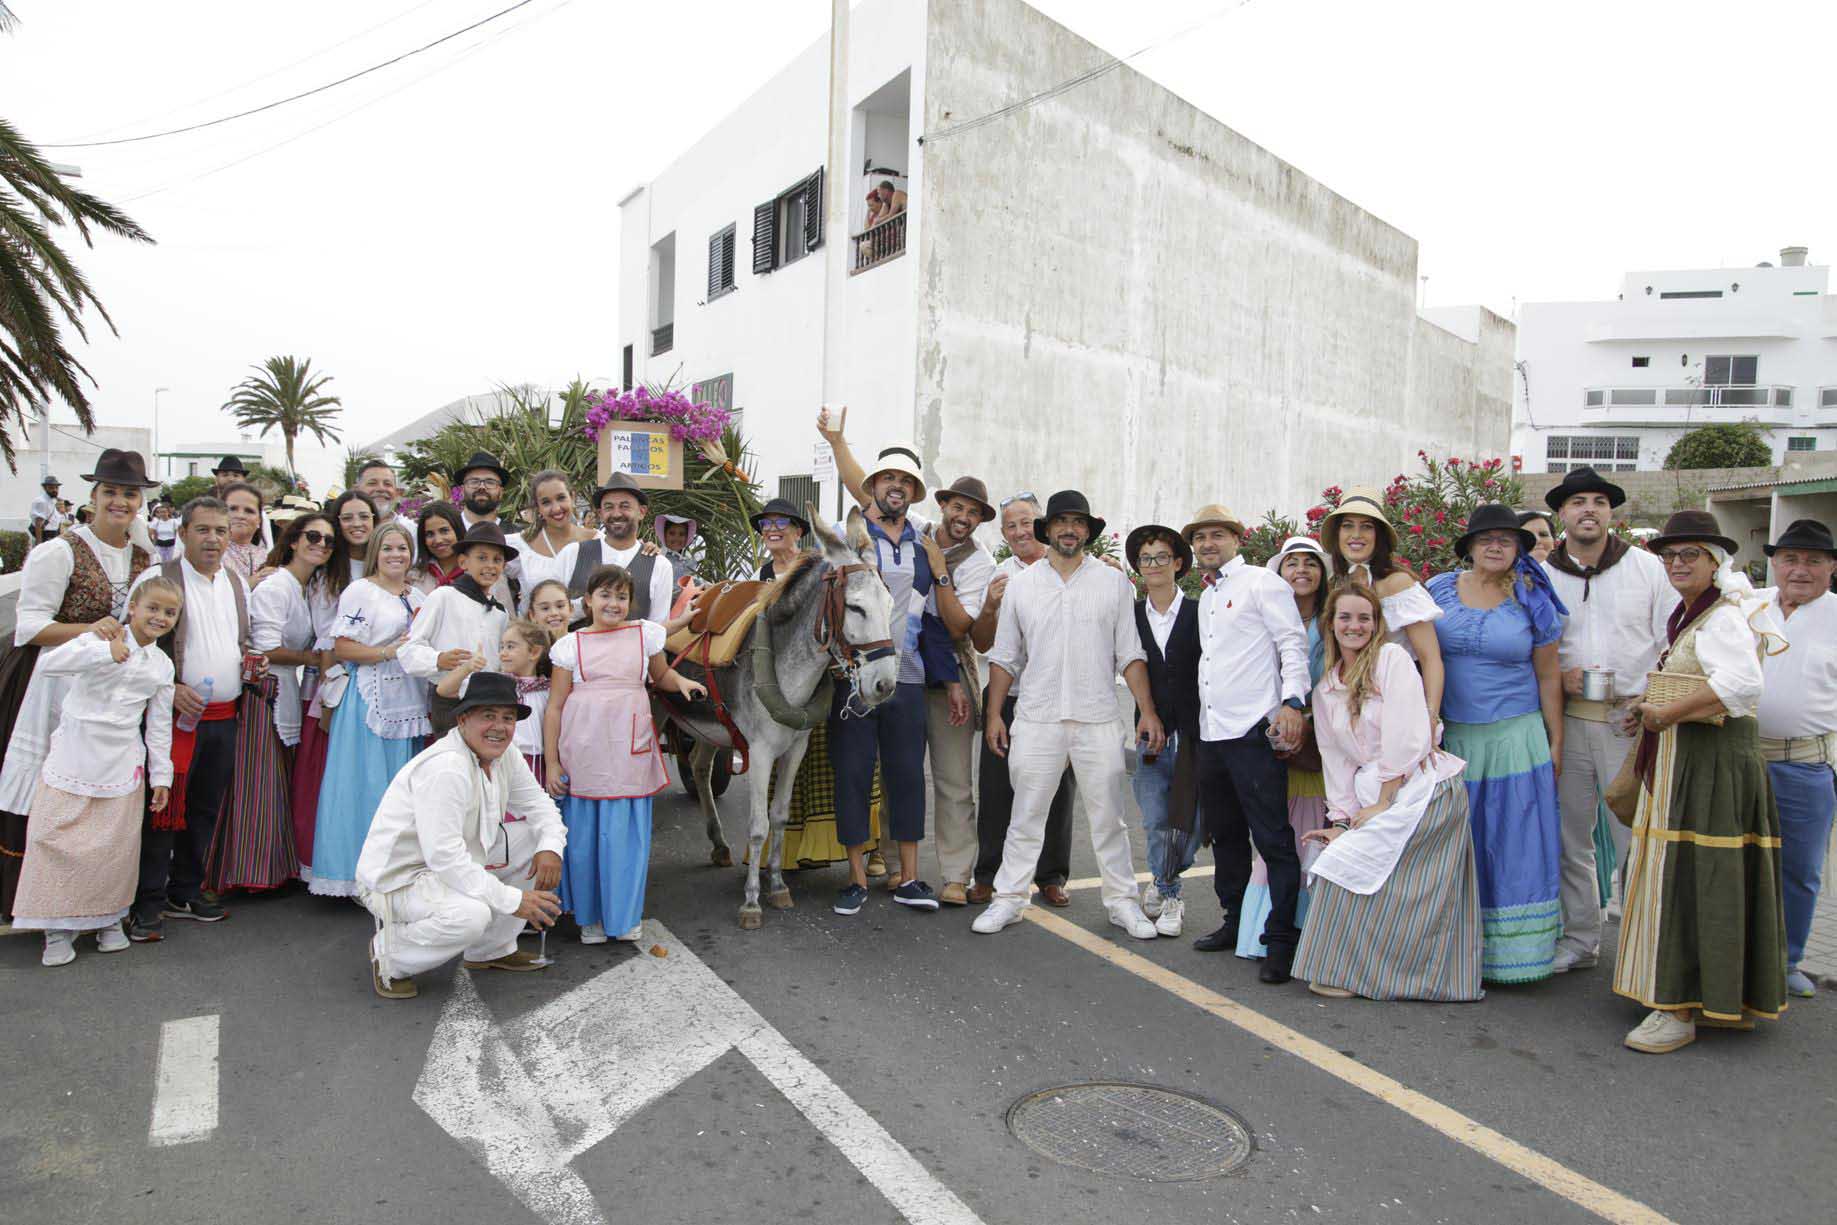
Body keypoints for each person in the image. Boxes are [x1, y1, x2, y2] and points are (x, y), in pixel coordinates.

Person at [1616, 510, 1789, 1053]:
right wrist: (1650, 707)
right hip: (1691, 757)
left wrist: (1667, 715)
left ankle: (1679, 1008)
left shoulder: (1724, 616)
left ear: (1715, 562)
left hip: (1710, 762)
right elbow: (1695, 680)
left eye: (1689, 554)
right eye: (1669, 556)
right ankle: (1704, 995)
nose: (1676, 564)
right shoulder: (1696, 614)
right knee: (1692, 875)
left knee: (1692, 876)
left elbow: (1741, 685)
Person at [974, 490, 1165, 938]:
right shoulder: (1021, 584)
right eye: (1061, 521)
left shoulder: (1114, 583)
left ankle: (1122, 903)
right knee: (1025, 815)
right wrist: (995, 715)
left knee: (1109, 820)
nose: (1069, 529)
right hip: (1037, 718)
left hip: (1097, 717)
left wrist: (1148, 713)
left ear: (1088, 531)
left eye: (1078, 522)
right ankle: (1009, 899)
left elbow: (1130, 655)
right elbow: (1004, 657)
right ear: (1048, 528)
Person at [1292, 584, 1482, 1002]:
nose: (1354, 626)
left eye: (1365, 618)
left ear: (1377, 625)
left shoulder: (1391, 660)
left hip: (1420, 791)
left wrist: (1382, 802)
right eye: (1345, 617)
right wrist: (1340, 821)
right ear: (1331, 624)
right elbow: (1334, 760)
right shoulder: (1326, 689)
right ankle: (1345, 970)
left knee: (1362, 872)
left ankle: (1395, 976)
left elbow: (1408, 734)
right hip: (1374, 796)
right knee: (1335, 860)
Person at [0, 448, 158, 921]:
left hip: (112, 694)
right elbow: (29, 627)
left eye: (129, 494)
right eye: (111, 491)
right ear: (93, 496)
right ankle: (28, 900)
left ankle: (91, 902)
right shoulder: (59, 550)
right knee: (49, 791)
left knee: (100, 796)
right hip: (54, 685)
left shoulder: (144, 558)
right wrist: (93, 630)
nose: (120, 501)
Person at [355, 672, 568, 999]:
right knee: (471, 915)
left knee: (531, 837)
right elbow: (445, 858)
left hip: (451, 864)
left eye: (508, 718)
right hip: (400, 880)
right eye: (488, 716)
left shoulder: (504, 754)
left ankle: (491, 951)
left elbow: (540, 806)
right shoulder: (447, 767)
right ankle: (390, 954)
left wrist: (551, 847)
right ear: (464, 719)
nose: (499, 727)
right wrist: (515, 901)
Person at [1538, 466, 1673, 974]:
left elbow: (1669, 642)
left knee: (1632, 837)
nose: (1588, 509)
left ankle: (1642, 945)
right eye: (1577, 503)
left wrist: (1649, 701)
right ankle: (1580, 938)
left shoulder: (1646, 569)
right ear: (1563, 514)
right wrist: (1559, 677)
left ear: (1611, 512)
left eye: (1598, 501)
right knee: (1572, 837)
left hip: (1628, 722)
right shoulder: (1545, 575)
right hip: (1570, 720)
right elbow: (1537, 649)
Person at [1428, 504, 1567, 984]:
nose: (1494, 546)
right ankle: (1459, 949)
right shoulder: (1439, 589)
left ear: (1517, 550)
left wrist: (1556, 743)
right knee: (1459, 846)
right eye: (1485, 538)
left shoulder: (1533, 597)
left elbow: (1549, 677)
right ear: (1468, 546)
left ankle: (1513, 959)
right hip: (1457, 739)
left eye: (1505, 540)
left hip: (1515, 738)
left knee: (1512, 847)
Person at [11, 579, 179, 966]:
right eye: (153, 608)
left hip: (121, 762)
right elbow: (49, 665)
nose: (160, 617)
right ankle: (56, 930)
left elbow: (158, 726)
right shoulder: (97, 641)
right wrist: (104, 651)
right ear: (133, 607)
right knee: (54, 839)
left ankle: (108, 920)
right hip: (73, 754)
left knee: (113, 849)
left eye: (169, 613)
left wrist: (161, 777)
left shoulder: (162, 664)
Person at [813, 413, 939, 914]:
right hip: (856, 678)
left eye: (905, 482)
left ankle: (909, 877)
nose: (896, 487)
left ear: (912, 492)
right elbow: (850, 477)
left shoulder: (925, 539)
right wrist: (839, 439)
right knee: (854, 771)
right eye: (888, 478)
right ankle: (857, 879)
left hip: (906, 676)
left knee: (907, 774)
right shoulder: (856, 535)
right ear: (874, 487)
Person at [1182, 503, 1312, 982]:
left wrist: (1292, 702)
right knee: (1227, 836)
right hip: (1212, 733)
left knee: (1273, 840)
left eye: (1217, 534)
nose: (1208, 543)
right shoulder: (1209, 596)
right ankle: (1235, 921)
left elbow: (1292, 645)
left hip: (1253, 734)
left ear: (1237, 539)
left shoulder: (1262, 582)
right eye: (1200, 537)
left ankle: (1280, 940)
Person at [544, 565, 705, 943]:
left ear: (630, 603)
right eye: (605, 595)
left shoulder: (643, 636)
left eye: (621, 596)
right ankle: (590, 919)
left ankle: (624, 916)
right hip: (583, 750)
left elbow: (661, 676)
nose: (613, 603)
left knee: (625, 839)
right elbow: (554, 706)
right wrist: (552, 762)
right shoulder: (571, 645)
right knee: (583, 840)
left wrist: (681, 681)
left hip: (628, 748)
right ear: (588, 600)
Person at [127, 497, 258, 940]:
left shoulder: (235, 582)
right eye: (203, 530)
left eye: (221, 530)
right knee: (163, 811)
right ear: (181, 533)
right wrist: (173, 686)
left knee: (203, 809)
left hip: (223, 716)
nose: (213, 538)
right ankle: (146, 901)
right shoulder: (159, 578)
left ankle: (184, 890)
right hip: (174, 719)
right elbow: (135, 643)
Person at [754, 499, 883, 868]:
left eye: (782, 522)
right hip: (782, 684)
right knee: (786, 773)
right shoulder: (761, 573)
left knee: (837, 766)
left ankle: (862, 849)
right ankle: (795, 852)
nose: (772, 528)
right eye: (766, 523)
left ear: (798, 530)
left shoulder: (816, 566)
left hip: (828, 677)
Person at [966, 493, 1078, 905]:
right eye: (1011, 526)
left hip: (1057, 699)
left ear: (1043, 524)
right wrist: (992, 607)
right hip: (1008, 696)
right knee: (997, 790)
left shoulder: (1070, 568)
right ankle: (988, 873)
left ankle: (1051, 876)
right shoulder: (999, 574)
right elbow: (981, 642)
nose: (1019, 532)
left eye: (1027, 522)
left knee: (1058, 790)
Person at [312, 524, 430, 898]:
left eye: (403, 548)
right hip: (369, 701)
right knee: (364, 788)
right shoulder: (362, 592)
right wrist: (388, 652)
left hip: (408, 699)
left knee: (399, 793)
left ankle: (397, 875)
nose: (396, 555)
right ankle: (353, 876)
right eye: (388, 548)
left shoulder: (417, 595)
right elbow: (343, 648)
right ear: (375, 553)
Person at [1236, 536, 1335, 960]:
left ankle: (1311, 931)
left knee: (1314, 829)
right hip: (1274, 731)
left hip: (1325, 733)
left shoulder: (1333, 621)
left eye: (1310, 563)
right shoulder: (1263, 616)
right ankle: (1268, 928)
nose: (1300, 571)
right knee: (1277, 833)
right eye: (1291, 563)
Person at [1755, 518, 1835, 1001]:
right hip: (1742, 757)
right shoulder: (1750, 607)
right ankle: (1742, 955)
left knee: (1800, 869)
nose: (1799, 570)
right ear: (1775, 563)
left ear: (1831, 567)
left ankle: (1787, 959)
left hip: (1805, 765)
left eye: (1812, 560)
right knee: (1739, 861)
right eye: (1790, 558)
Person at [915, 477, 996, 905]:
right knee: (901, 771)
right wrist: (837, 443)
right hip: (906, 669)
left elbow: (959, 626)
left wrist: (941, 572)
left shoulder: (980, 562)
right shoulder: (915, 530)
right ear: (942, 505)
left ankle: (955, 874)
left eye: (973, 512)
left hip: (953, 676)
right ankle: (896, 865)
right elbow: (863, 494)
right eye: (957, 508)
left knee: (954, 781)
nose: (963, 518)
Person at [251, 511, 336, 878]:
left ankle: (275, 866)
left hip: (287, 686)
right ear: (294, 541)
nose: (321, 545)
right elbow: (266, 648)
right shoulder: (276, 586)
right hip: (265, 690)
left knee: (277, 782)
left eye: (328, 541)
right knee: (261, 784)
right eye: (313, 537)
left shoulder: (306, 588)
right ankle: (255, 869)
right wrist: (318, 657)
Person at [1126, 523, 1200, 936]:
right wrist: (1144, 710)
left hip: (1193, 735)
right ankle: (1170, 891)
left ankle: (1163, 882)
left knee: (1188, 821)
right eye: (1145, 558)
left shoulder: (1198, 612)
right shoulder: (1132, 615)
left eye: (1161, 557)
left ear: (1177, 564)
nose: (1153, 565)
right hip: (1150, 736)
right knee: (1155, 817)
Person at [1318, 487, 1445, 720]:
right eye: (1347, 525)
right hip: (1351, 710)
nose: (1356, 534)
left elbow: (1430, 658)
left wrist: (1430, 717)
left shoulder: (1399, 585)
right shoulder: (1333, 585)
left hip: (1401, 705)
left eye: (1367, 526)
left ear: (1379, 536)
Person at [400, 522, 515, 736]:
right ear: (463, 562)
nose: (490, 565)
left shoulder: (501, 613)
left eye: (497, 560)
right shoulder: (443, 596)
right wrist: (438, 659)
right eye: (482, 558)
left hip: (487, 702)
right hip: (449, 698)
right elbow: (408, 649)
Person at [566, 474, 675, 626]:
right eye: (609, 507)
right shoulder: (573, 553)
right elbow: (554, 613)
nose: (616, 514)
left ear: (642, 512)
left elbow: (657, 629)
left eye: (625, 506)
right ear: (600, 513)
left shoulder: (659, 565)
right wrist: (586, 605)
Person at [513, 469, 595, 613]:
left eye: (561, 498)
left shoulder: (598, 541)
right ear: (538, 508)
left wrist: (647, 549)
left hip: (586, 633)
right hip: (537, 633)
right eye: (546, 502)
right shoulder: (520, 545)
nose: (556, 508)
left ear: (572, 497)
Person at [452, 450, 520, 608]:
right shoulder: (449, 531)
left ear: (501, 491)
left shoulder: (515, 535)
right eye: (474, 481)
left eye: (490, 482)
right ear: (462, 490)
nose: (482, 487)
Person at [220, 481, 273, 589]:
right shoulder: (210, 553)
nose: (240, 515)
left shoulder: (267, 557)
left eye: (249, 511)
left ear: (259, 520)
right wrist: (247, 585)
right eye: (233, 509)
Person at [327, 490, 378, 588]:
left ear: (374, 521)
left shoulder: (386, 561)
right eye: (347, 518)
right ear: (337, 523)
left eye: (364, 517)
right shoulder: (326, 569)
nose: (357, 524)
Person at [413, 502, 466, 593]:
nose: (438, 540)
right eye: (430, 534)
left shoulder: (477, 572)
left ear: (458, 530)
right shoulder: (413, 578)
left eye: (444, 531)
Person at [354, 458, 416, 535]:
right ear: (356, 490)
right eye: (372, 483)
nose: (381, 489)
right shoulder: (346, 529)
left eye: (387, 484)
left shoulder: (411, 530)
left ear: (396, 493)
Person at [655, 513, 701, 584]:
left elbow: (695, 585)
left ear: (687, 537)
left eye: (682, 534)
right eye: (672, 533)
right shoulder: (655, 557)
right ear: (664, 535)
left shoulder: (690, 563)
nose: (676, 538)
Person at [29, 475, 63, 545]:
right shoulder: (41, 501)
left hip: (53, 534)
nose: (55, 490)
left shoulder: (52, 500)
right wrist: (39, 543)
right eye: (51, 488)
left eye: (56, 487)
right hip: (46, 535)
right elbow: (38, 523)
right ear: (45, 488)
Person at [150, 499, 180, 563]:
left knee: (170, 563)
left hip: (171, 545)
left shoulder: (174, 522)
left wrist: (177, 546)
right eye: (161, 512)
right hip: (160, 546)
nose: (162, 514)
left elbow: (176, 535)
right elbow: (155, 535)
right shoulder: (157, 523)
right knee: (160, 563)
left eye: (164, 512)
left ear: (168, 512)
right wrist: (153, 546)